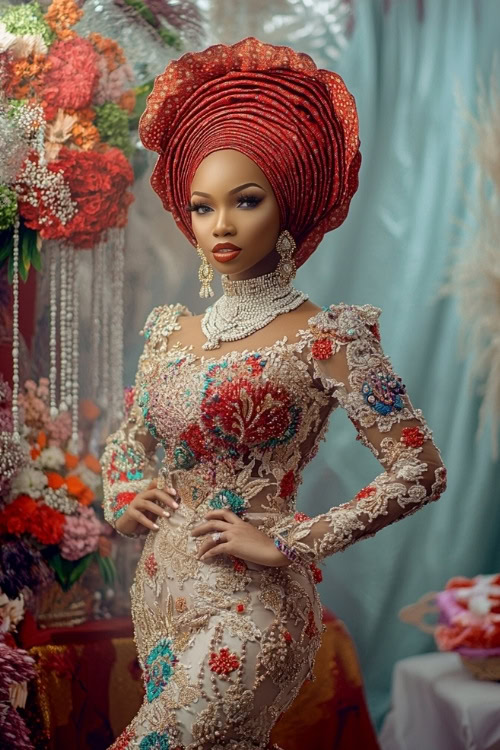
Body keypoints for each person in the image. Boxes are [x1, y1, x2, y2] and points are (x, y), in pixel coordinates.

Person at [101, 37, 447, 750]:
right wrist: (123, 492)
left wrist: (291, 541)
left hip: (254, 613)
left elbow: (419, 470)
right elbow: (126, 442)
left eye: (245, 200)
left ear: (285, 205)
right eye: (202, 207)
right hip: (161, 598)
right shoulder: (170, 331)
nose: (220, 225)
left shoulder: (330, 335)